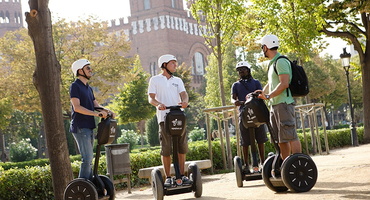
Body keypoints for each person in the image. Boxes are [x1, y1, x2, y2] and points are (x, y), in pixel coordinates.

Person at [148, 54, 191, 187]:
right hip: (164, 117)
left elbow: (184, 94)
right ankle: (168, 177)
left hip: (179, 116)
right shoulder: (155, 80)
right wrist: (158, 104)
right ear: (164, 65)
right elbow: (151, 98)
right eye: (173, 63)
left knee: (181, 147)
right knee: (166, 148)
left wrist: (185, 101)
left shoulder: (177, 80)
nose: (175, 65)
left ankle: (182, 176)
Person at [257, 34, 302, 160]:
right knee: (281, 140)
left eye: (262, 48)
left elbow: (284, 83)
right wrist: (262, 92)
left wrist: (268, 95)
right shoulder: (272, 63)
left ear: (266, 47)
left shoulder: (281, 61)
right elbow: (272, 83)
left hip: (284, 104)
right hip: (275, 104)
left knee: (291, 136)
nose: (262, 50)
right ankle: (286, 168)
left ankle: (298, 164)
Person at [69, 58, 115, 180]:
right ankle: (82, 187)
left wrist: (107, 111)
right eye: (88, 68)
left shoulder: (88, 88)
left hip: (89, 126)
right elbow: (77, 107)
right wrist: (96, 115)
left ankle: (89, 186)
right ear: (80, 71)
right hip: (80, 126)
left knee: (89, 159)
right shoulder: (75, 86)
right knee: (87, 158)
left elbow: (96, 105)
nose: (91, 70)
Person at [231, 61, 268, 174]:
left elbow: (260, 94)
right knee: (245, 141)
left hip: (257, 113)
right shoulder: (236, 85)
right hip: (244, 114)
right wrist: (236, 102)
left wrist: (257, 96)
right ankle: (246, 164)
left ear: (248, 70)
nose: (241, 71)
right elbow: (232, 98)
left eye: (243, 69)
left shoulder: (256, 82)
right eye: (239, 70)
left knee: (260, 139)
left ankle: (263, 162)